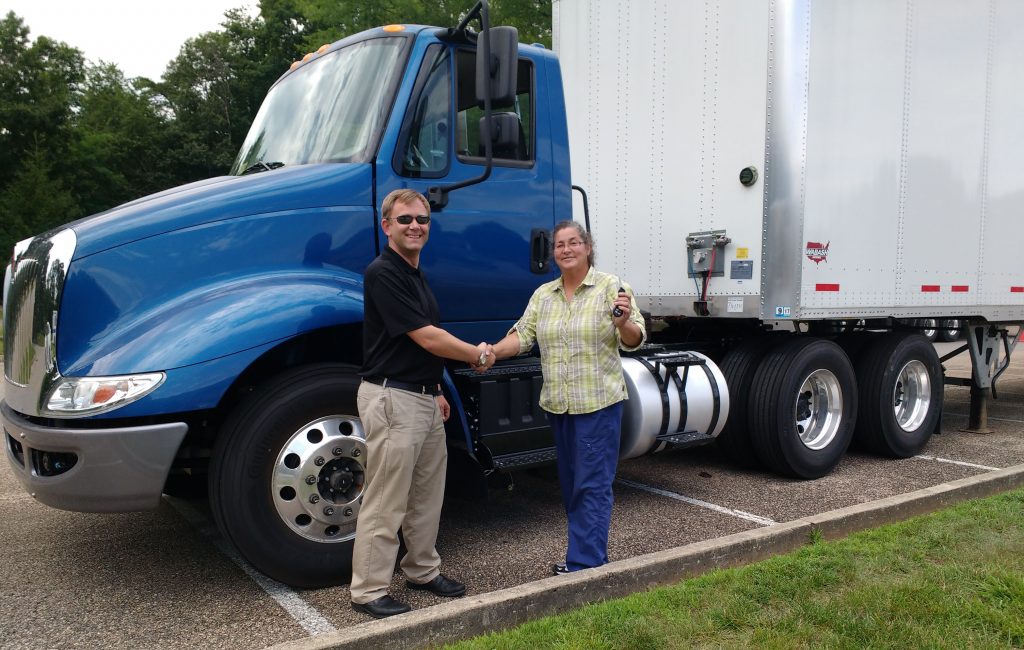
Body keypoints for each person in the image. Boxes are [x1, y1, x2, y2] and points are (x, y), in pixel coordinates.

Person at [350, 189, 495, 618]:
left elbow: (421, 348)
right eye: (405, 219)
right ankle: (369, 590)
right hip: (393, 399)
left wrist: (435, 391)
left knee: (427, 495)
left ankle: (422, 569)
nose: (415, 225)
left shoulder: (414, 273)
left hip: (420, 399)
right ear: (386, 226)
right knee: (386, 498)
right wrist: (475, 354)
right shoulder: (383, 272)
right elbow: (425, 336)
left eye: (422, 219)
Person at [491, 220, 646, 574]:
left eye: (573, 242)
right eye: (560, 245)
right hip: (559, 406)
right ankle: (586, 555)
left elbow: (635, 338)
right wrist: (491, 353)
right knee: (573, 485)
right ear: (554, 254)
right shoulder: (544, 295)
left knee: (592, 485)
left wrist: (622, 323)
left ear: (587, 247)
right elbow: (523, 335)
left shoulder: (611, 287)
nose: (566, 249)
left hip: (598, 405)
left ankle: (585, 565)